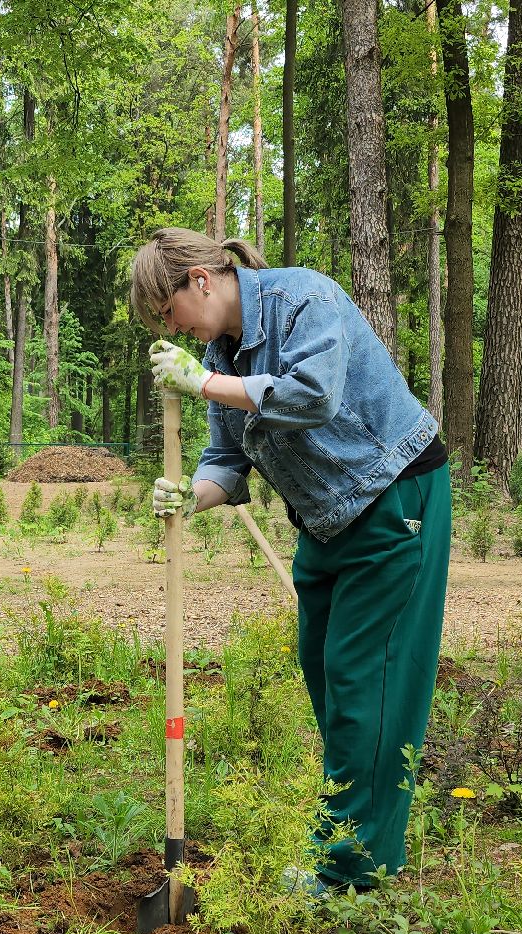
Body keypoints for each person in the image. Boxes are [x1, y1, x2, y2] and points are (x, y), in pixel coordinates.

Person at [129, 227, 453, 894]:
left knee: (368, 684)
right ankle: (362, 844)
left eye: (167, 313)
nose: (174, 327)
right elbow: (228, 459)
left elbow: (313, 395)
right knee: (330, 681)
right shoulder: (221, 350)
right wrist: (192, 495)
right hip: (328, 521)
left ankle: (347, 874)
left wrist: (208, 383)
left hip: (395, 499)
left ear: (199, 280)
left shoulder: (303, 298)